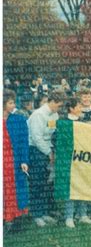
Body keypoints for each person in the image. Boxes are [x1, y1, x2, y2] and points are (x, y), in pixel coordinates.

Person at [27, 90, 66, 227]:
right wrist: (49, 153)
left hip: (48, 149)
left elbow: (53, 133)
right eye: (59, 105)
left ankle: (44, 212)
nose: (60, 109)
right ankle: (36, 214)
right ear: (52, 102)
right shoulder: (38, 115)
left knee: (46, 183)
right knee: (36, 183)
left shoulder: (54, 115)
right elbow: (37, 138)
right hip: (36, 151)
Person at [59, 97, 91, 228]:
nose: (81, 109)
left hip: (82, 160)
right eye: (79, 106)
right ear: (71, 109)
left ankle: (83, 214)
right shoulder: (62, 123)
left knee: (83, 185)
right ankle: (69, 216)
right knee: (71, 188)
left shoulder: (83, 122)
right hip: (68, 161)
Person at [4, 90, 29, 229]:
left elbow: (24, 142)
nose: (13, 105)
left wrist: (24, 161)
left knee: (14, 190)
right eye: (10, 102)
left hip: (13, 161)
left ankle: (14, 218)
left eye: (13, 102)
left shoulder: (19, 120)